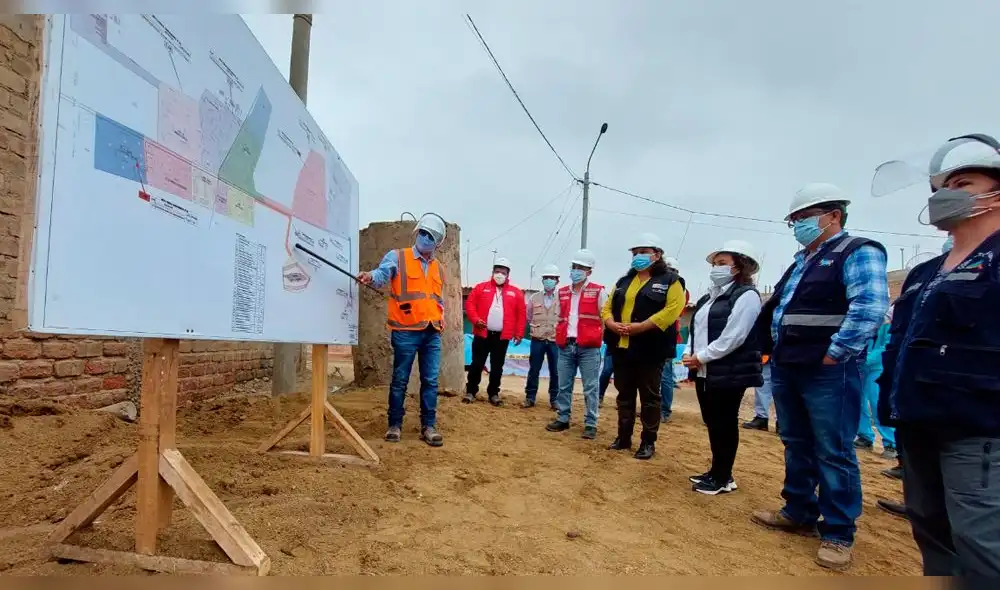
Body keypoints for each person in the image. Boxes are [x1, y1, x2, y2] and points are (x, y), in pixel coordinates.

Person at [875, 133, 1000, 576]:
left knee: (981, 547)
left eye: (962, 183)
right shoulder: (925, 272)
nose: (945, 196)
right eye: (939, 189)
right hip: (916, 425)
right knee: (931, 532)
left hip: (978, 432)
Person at [752, 182, 889, 571]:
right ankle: (798, 510)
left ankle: (839, 531)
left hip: (829, 369)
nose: (798, 225)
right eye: (793, 220)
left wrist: (835, 353)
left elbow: (870, 306)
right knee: (795, 440)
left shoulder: (857, 251)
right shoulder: (801, 261)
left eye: (803, 218)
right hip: (790, 364)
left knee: (833, 448)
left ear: (834, 216)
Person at [358, 213, 448, 447]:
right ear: (417, 232)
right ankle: (394, 425)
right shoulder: (398, 257)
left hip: (432, 331)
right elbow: (382, 274)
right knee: (400, 380)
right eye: (423, 233)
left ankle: (429, 427)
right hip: (406, 330)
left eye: (431, 236)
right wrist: (371, 277)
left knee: (430, 381)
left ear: (438, 242)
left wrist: (441, 317)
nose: (426, 238)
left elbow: (438, 299)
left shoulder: (439, 268)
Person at [683, 240, 764, 494]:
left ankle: (722, 476)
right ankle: (717, 471)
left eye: (722, 264)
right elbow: (696, 329)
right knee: (712, 421)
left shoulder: (747, 296)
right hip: (705, 369)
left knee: (725, 422)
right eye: (715, 264)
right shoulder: (709, 298)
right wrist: (690, 352)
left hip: (728, 370)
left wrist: (703, 356)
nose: (716, 268)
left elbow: (734, 336)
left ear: (739, 267)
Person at [602, 233, 686, 459]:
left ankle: (648, 442)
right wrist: (610, 323)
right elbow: (607, 307)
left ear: (656, 255)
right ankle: (623, 437)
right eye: (635, 252)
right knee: (624, 395)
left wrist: (641, 327)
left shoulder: (671, 281)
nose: (638, 256)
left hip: (651, 349)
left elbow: (672, 311)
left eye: (643, 252)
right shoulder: (623, 281)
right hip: (621, 346)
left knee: (650, 397)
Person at [546, 249, 606, 439]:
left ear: (589, 271)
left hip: (589, 347)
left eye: (581, 268)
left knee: (590, 387)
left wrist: (597, 337)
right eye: (574, 267)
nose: (576, 271)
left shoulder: (598, 291)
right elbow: (558, 316)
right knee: (564, 385)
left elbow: (605, 317)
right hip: (566, 345)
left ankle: (591, 423)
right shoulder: (562, 292)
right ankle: (563, 418)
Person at [464, 257, 526, 406]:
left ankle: (493, 393)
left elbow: (521, 314)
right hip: (482, 334)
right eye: (497, 271)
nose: (499, 274)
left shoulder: (516, 293)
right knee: (476, 364)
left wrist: (519, 333)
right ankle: (471, 391)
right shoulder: (480, 288)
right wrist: (475, 319)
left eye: (502, 272)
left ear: (508, 274)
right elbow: (470, 305)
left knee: (497, 366)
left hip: (502, 337)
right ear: (492, 272)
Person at [854, 306, 895, 459]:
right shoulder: (863, 320)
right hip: (860, 365)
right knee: (859, 402)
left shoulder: (888, 320)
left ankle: (890, 443)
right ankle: (864, 436)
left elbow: (887, 344)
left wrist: (870, 358)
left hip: (878, 367)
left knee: (878, 402)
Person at [524, 264, 561, 409]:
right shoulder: (534, 298)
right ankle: (530, 397)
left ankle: (554, 399)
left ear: (557, 280)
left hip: (555, 340)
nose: (548, 280)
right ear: (542, 280)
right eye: (546, 278)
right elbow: (529, 317)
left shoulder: (563, 298)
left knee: (556, 371)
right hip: (537, 340)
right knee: (534, 369)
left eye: (552, 278)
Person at [659, 256, 688, 423]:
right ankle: (656, 407)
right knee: (654, 377)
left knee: (665, 376)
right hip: (654, 336)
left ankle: (665, 410)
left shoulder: (678, 287)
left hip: (667, 337)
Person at [743, 355, 775, 432]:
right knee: (763, 382)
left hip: (786, 353)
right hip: (768, 352)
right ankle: (761, 418)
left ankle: (782, 422)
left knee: (784, 387)